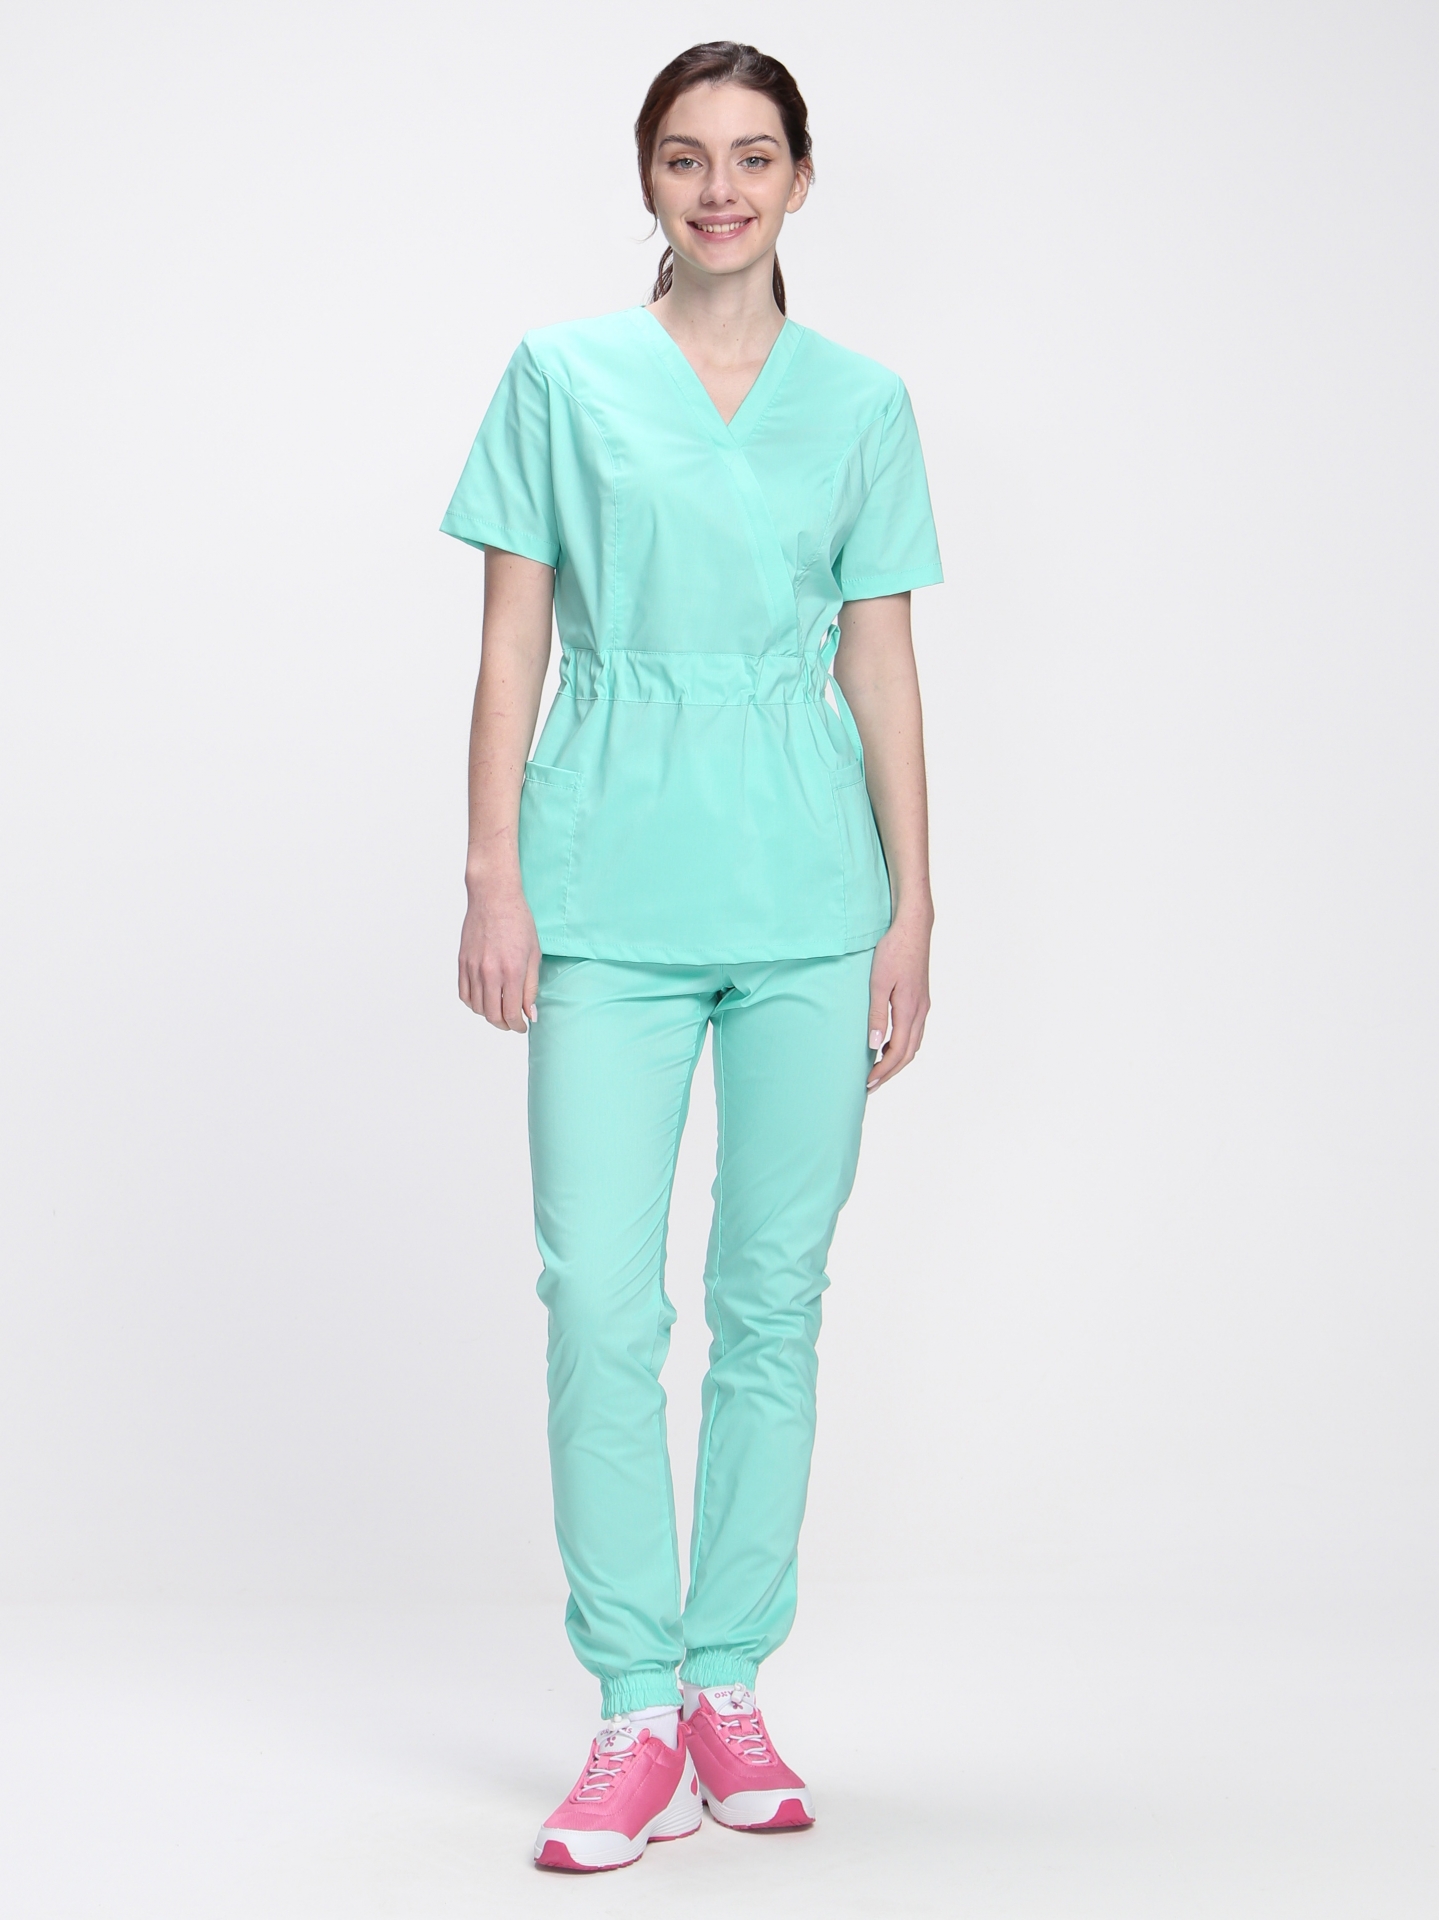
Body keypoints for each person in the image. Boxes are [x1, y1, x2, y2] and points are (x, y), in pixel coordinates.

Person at [441, 41, 942, 1874]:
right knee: (599, 1299)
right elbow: (512, 645)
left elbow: (879, 659)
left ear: (803, 176)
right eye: (684, 156)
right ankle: (631, 1708)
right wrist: (494, 874)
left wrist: (914, 903)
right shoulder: (562, 379)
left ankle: (728, 1678)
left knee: (773, 1296)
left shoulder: (863, 404)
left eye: (752, 155)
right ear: (645, 177)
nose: (719, 188)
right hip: (605, 890)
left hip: (811, 896)